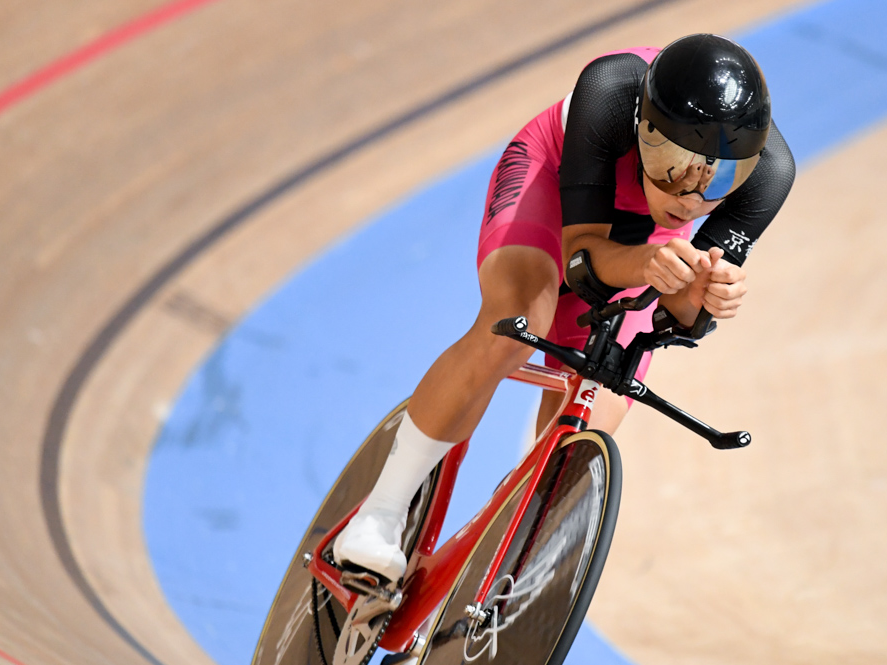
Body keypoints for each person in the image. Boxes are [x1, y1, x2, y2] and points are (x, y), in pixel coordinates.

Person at [334, 33, 796, 581]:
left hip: (641, 244)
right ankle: (379, 515)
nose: (691, 198)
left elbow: (680, 313)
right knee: (515, 322)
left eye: (719, 176)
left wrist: (703, 296)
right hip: (554, 183)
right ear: (645, 130)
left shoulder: (770, 175)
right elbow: (582, 258)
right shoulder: (609, 90)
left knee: (598, 411)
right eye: (673, 165)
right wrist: (653, 266)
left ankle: (486, 570)